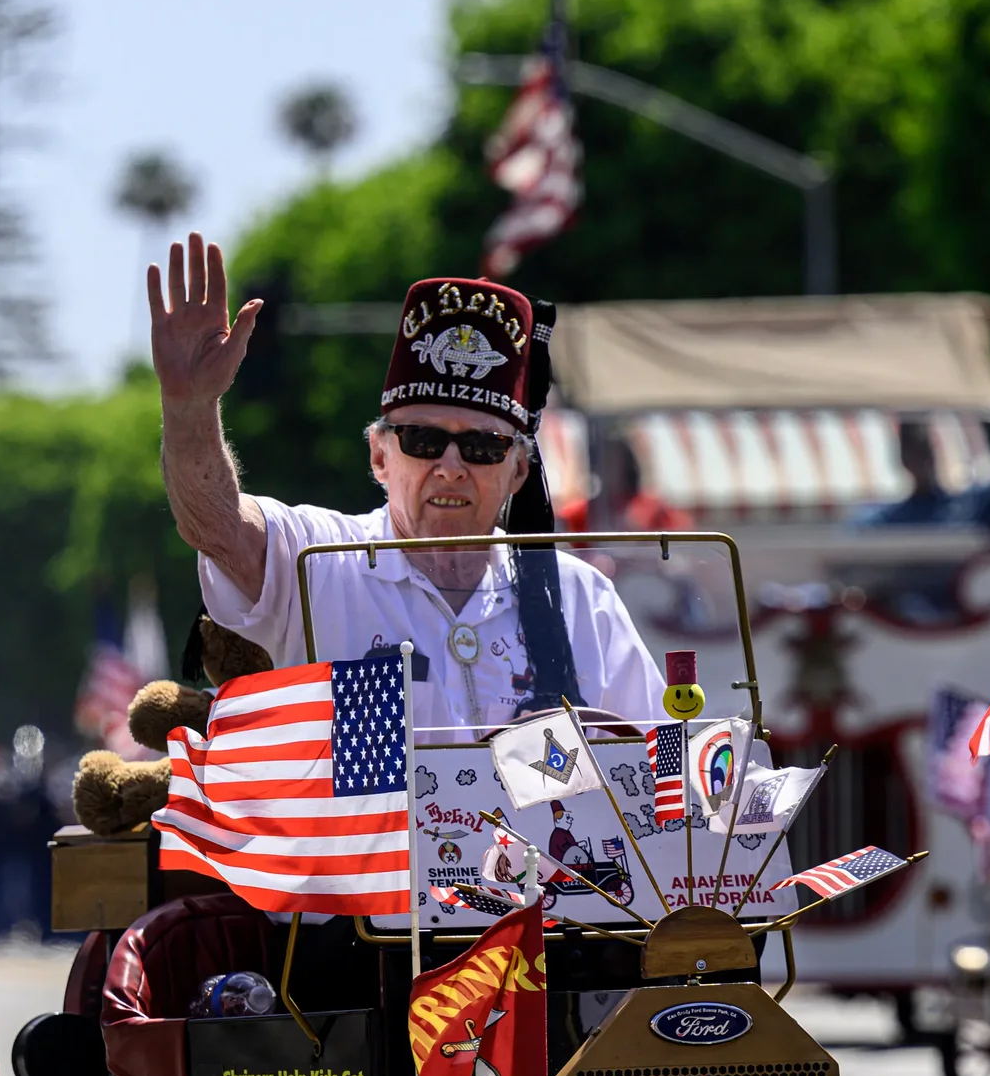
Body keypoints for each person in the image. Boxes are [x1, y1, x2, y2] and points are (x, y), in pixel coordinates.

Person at [148, 232, 662, 730]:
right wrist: (190, 408)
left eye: (483, 447)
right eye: (423, 440)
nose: (452, 467)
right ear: (380, 456)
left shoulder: (579, 597)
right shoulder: (321, 559)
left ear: (518, 470)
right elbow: (215, 524)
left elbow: (664, 758)